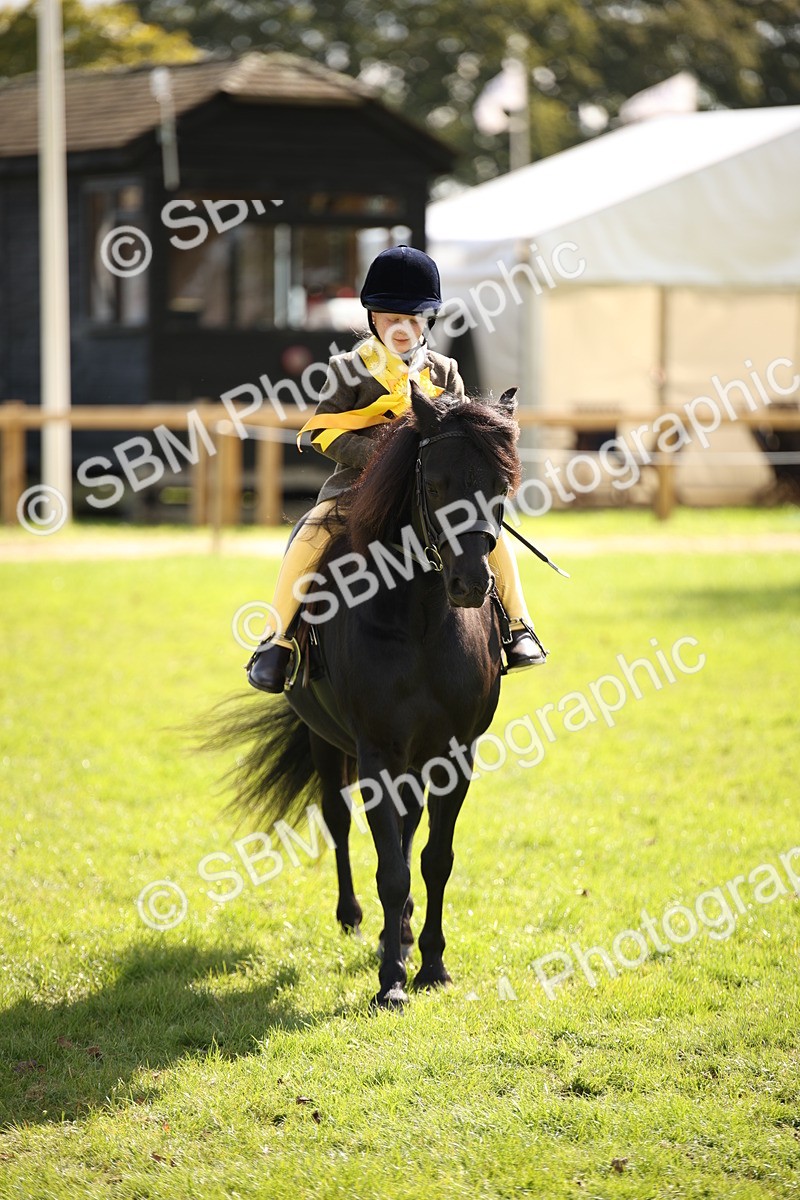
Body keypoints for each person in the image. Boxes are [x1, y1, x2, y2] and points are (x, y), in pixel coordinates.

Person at [246, 245, 546, 693]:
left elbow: (461, 438)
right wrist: (382, 462)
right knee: (309, 534)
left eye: (412, 318)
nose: (401, 328)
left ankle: (518, 627)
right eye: (389, 318)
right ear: (372, 319)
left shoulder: (445, 372)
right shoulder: (348, 369)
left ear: (428, 320)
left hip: (435, 492)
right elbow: (323, 432)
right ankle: (279, 640)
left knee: (492, 536)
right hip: (357, 489)